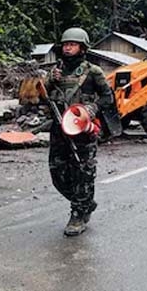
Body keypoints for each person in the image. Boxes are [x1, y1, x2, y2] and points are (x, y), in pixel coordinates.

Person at [45, 27, 114, 236]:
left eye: (72, 44)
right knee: (57, 172)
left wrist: (91, 109)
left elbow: (107, 97)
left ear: (82, 47)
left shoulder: (93, 72)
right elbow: (41, 96)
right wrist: (50, 81)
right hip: (59, 128)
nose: (68, 48)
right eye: (66, 44)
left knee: (82, 172)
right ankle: (85, 202)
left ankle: (79, 213)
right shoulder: (55, 71)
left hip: (82, 129)